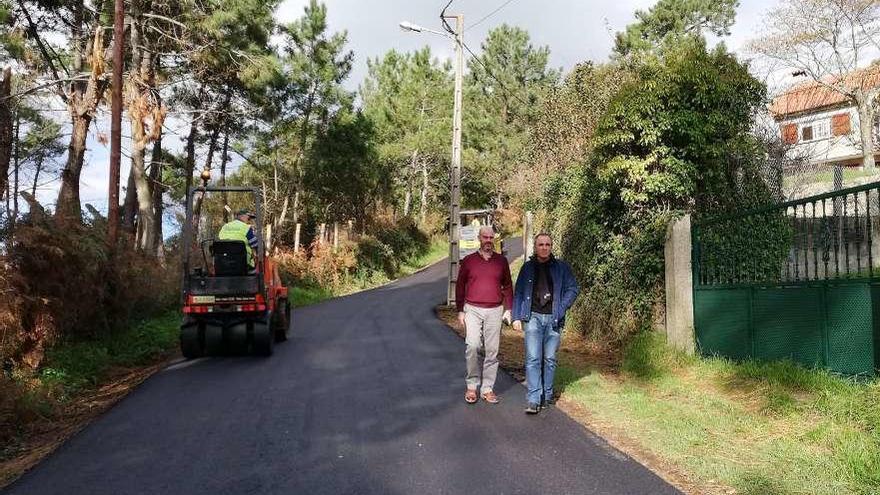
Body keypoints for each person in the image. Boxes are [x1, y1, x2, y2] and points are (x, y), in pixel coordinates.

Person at [512, 233, 579, 415]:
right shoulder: (527, 268)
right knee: (533, 358)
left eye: (547, 244)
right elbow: (518, 292)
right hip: (532, 317)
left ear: (551, 247)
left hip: (554, 319)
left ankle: (547, 394)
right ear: (535, 246)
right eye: (541, 244)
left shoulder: (561, 268)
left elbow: (573, 288)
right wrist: (516, 317)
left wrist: (563, 307)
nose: (544, 247)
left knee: (550, 359)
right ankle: (534, 399)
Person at [456, 225, 513, 405]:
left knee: (492, 351)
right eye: (485, 237)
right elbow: (460, 285)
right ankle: (472, 386)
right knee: (472, 346)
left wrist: (509, 309)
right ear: (479, 239)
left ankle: (487, 388)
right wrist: (460, 310)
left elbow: (508, 286)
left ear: (493, 239)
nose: (488, 240)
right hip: (472, 309)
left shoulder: (501, 261)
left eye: (491, 237)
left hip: (495, 310)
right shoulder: (469, 261)